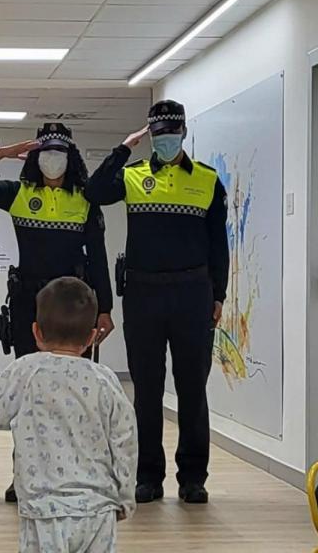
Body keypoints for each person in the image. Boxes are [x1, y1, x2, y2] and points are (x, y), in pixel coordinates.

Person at [0, 122, 115, 503]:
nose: (52, 160)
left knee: (74, 393)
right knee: (29, 393)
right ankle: (23, 474)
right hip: (30, 303)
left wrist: (105, 309)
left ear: (70, 157)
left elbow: (97, 257)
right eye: (46, 152)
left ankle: (72, 473)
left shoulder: (85, 200)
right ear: (35, 158)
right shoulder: (18, 194)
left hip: (76, 306)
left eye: (59, 152)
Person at [86, 100, 229, 505]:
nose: (165, 141)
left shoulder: (207, 181)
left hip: (192, 294)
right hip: (144, 294)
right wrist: (122, 150)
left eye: (171, 133)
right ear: (150, 136)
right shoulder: (132, 176)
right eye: (158, 135)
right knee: (146, 392)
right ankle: (147, 476)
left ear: (183, 133)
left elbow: (220, 245)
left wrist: (217, 295)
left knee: (191, 391)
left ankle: (193, 478)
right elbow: (94, 191)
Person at [0, 277, 137, 553]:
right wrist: (125, 496)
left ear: (36, 332)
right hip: (98, 509)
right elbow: (125, 440)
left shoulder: (25, 371)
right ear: (92, 337)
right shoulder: (104, 379)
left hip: (42, 510)